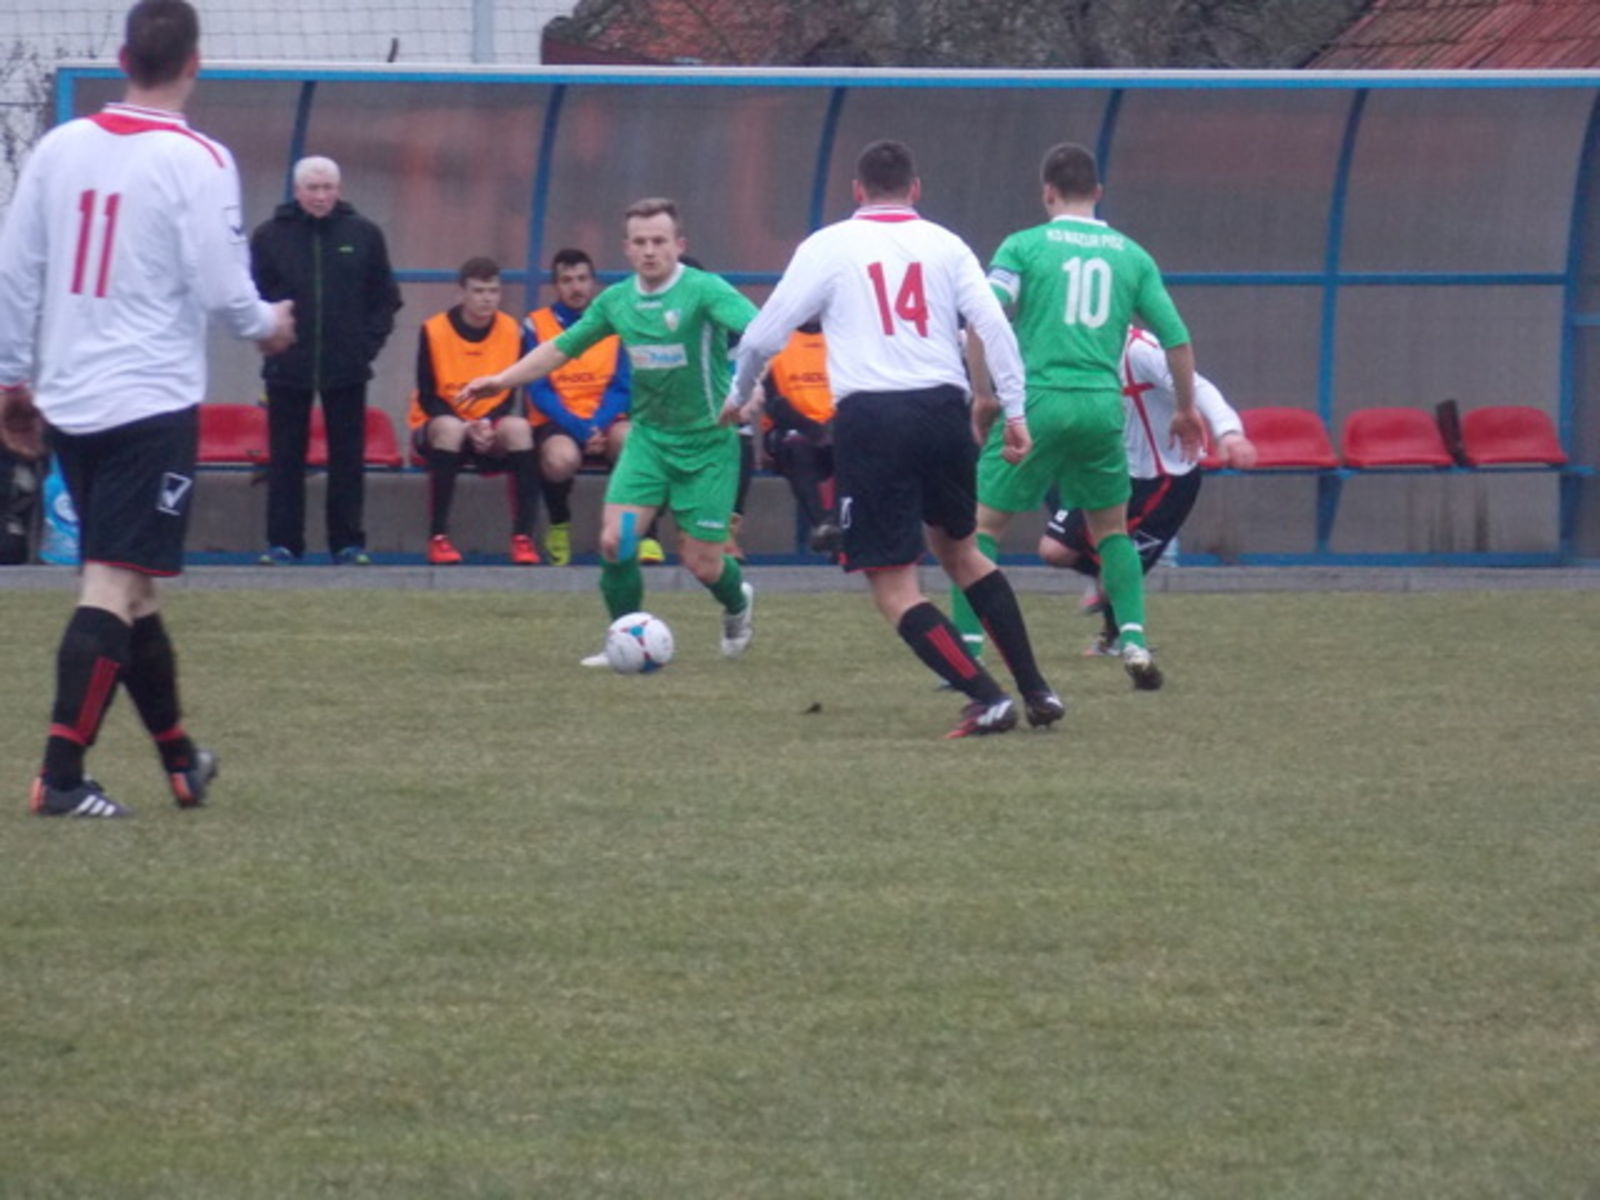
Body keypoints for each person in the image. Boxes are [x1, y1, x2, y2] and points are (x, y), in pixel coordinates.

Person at [0, 0, 295, 817]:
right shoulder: (198, 159)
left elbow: (17, 271)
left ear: (123, 56)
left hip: (70, 399)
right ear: (195, 63)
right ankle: (60, 777)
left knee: (137, 592)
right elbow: (223, 289)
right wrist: (270, 325)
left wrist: (11, 380)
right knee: (110, 583)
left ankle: (179, 761)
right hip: (149, 404)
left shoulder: (59, 150)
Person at [726, 139, 1063, 739]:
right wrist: (1014, 410)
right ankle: (1038, 688)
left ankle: (988, 699)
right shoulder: (945, 243)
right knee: (963, 554)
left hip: (874, 420)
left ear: (857, 192)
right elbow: (991, 324)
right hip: (943, 409)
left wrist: (737, 395)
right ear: (915, 190)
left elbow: (759, 338)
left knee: (892, 586)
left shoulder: (830, 245)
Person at [458, 197, 757, 662]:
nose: (649, 251)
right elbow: (561, 348)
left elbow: (760, 335)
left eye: (659, 241)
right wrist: (501, 379)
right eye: (640, 242)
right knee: (616, 541)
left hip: (708, 444)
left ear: (679, 244)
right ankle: (622, 637)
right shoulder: (618, 301)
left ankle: (738, 605)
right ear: (627, 249)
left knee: (703, 563)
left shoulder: (705, 290)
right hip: (649, 440)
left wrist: (749, 390)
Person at [954, 141, 1205, 691]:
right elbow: (1177, 339)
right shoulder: (1132, 256)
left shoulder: (1023, 247)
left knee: (980, 528)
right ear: (1098, 193)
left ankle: (968, 649)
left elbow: (983, 315)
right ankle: (1133, 639)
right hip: (1100, 405)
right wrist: (1185, 409)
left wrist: (983, 392)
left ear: (1046, 192)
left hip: (1037, 400)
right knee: (1111, 530)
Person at [1045, 327, 1256, 656]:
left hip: (1164, 480)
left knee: (1116, 575)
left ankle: (1116, 637)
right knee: (1054, 550)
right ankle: (1103, 582)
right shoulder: (1066, 344)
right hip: (1109, 471)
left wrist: (1229, 432)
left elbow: (1198, 386)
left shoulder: (1139, 351)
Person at [251, 154, 401, 565]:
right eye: (312, 188)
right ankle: (283, 543)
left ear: (339, 190)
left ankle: (348, 543)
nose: (320, 196)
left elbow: (385, 299)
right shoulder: (270, 236)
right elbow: (252, 297)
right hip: (287, 364)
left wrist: (365, 345)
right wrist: (269, 336)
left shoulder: (364, 234)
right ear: (297, 191)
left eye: (327, 187)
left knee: (347, 457)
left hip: (346, 366)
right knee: (285, 456)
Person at [409, 256, 542, 565]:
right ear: (462, 293)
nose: (486, 299)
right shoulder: (434, 329)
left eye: (493, 291)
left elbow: (509, 390)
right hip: (441, 424)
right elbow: (428, 395)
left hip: (488, 425)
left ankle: (523, 538)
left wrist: (486, 423)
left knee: (520, 428)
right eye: (479, 291)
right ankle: (438, 537)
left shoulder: (512, 330)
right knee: (450, 429)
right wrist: (466, 425)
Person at [523, 247, 633, 566]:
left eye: (582, 279)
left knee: (633, 442)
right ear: (556, 286)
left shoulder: (615, 322)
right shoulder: (536, 325)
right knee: (561, 459)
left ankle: (634, 533)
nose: (576, 287)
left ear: (593, 282)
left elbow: (622, 386)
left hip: (606, 418)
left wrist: (598, 423)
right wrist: (581, 429)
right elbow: (538, 388)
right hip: (560, 420)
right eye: (567, 280)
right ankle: (559, 524)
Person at [761, 321, 841, 554]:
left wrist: (831, 427)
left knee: (854, 446)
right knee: (795, 445)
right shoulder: (775, 342)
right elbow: (774, 403)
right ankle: (824, 524)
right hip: (793, 428)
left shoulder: (842, 337)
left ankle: (836, 523)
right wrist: (811, 428)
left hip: (837, 425)